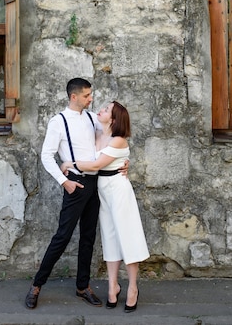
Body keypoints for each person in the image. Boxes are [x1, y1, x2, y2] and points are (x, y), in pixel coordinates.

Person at [25, 78, 127, 309]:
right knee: (62, 236)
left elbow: (114, 140)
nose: (91, 99)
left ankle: (83, 286)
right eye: (87, 95)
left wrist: (125, 160)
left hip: (95, 183)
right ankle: (36, 285)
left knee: (88, 237)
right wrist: (64, 182)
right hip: (75, 184)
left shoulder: (92, 118)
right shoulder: (58, 121)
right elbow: (46, 155)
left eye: (91, 95)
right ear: (74, 97)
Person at [60, 101, 149, 313]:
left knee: (128, 238)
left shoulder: (118, 140)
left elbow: (97, 164)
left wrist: (68, 164)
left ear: (114, 119)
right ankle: (112, 287)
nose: (100, 109)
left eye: (106, 109)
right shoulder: (96, 133)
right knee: (109, 238)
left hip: (118, 190)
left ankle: (133, 288)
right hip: (103, 190)